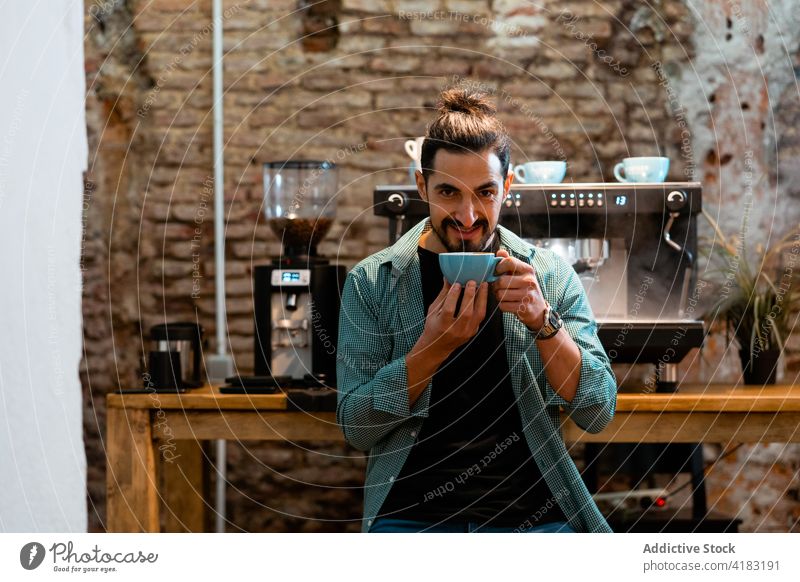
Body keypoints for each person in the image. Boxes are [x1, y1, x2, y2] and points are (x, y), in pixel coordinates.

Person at [336, 87, 616, 533]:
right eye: (448, 192)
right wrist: (431, 349)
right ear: (422, 186)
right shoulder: (373, 282)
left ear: (507, 187)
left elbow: (598, 411)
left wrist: (543, 322)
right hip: (411, 521)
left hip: (535, 523)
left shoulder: (548, 275)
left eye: (485, 193)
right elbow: (356, 428)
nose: (467, 217)